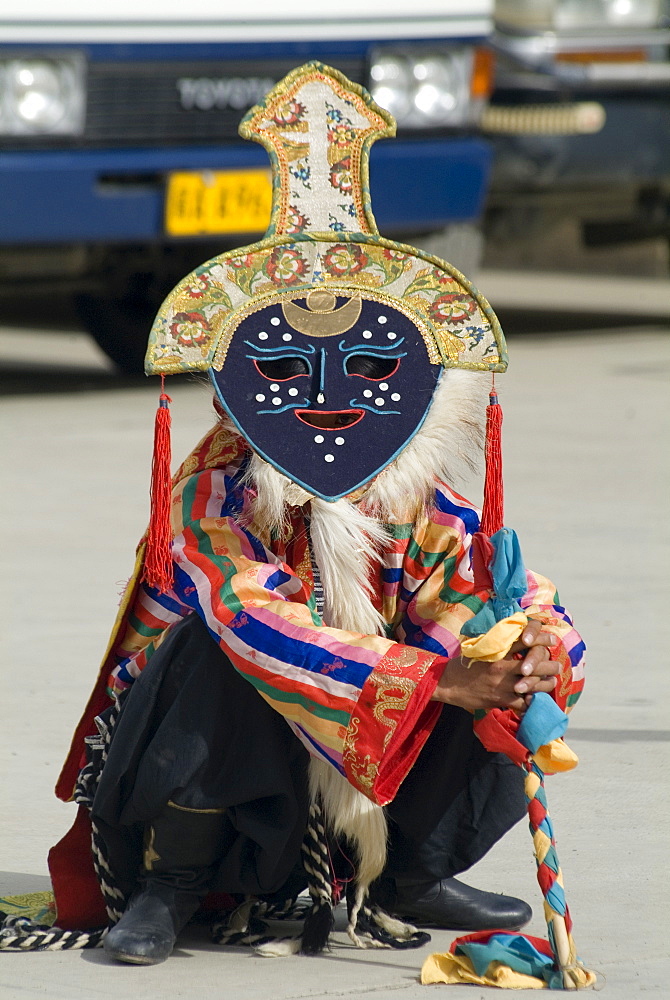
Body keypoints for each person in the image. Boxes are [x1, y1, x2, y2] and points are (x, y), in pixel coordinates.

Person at [44, 63, 584, 966]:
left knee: (494, 633)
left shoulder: (411, 496)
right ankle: (171, 883)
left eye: (373, 372)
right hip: (213, 802)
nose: (329, 400)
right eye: (286, 375)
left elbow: (497, 592)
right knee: (221, 648)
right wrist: (434, 682)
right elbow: (255, 622)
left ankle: (405, 869)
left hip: (342, 796)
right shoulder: (213, 492)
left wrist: (525, 651)